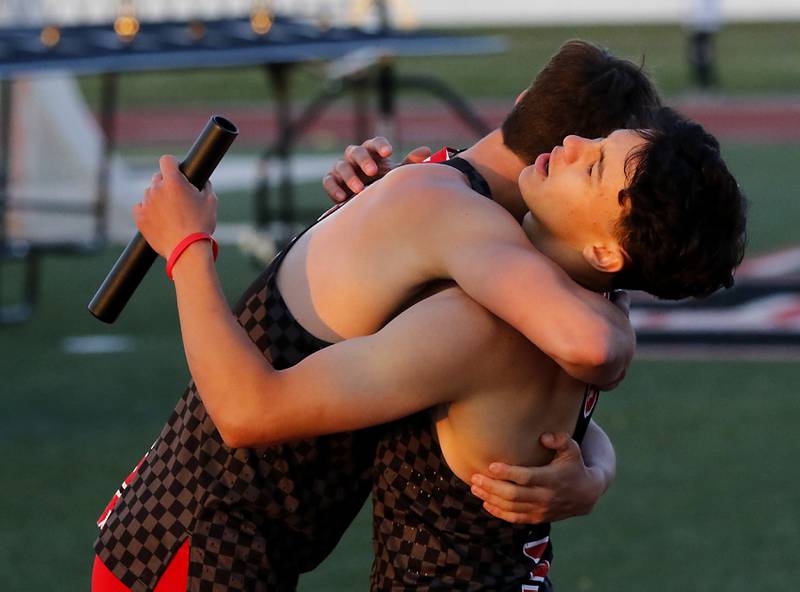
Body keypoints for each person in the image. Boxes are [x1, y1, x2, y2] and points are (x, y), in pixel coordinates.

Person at [92, 41, 742, 591]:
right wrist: (596, 467)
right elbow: (589, 348)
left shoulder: (501, 274)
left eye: (595, 159)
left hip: (211, 535)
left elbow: (590, 349)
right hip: (197, 538)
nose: (572, 145)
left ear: (520, 104)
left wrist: (187, 246)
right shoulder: (526, 271)